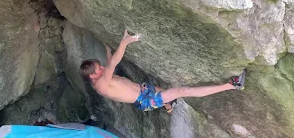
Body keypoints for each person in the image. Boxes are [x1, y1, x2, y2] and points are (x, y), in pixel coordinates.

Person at [80, 30, 246, 113]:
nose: (101, 68)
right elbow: (111, 66)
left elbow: (110, 64)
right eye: (98, 69)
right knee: (182, 91)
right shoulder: (101, 85)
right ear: (92, 76)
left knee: (166, 94)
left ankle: (168, 105)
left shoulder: (102, 78)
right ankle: (233, 85)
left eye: (100, 66)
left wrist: (108, 48)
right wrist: (125, 42)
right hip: (147, 100)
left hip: (143, 90)